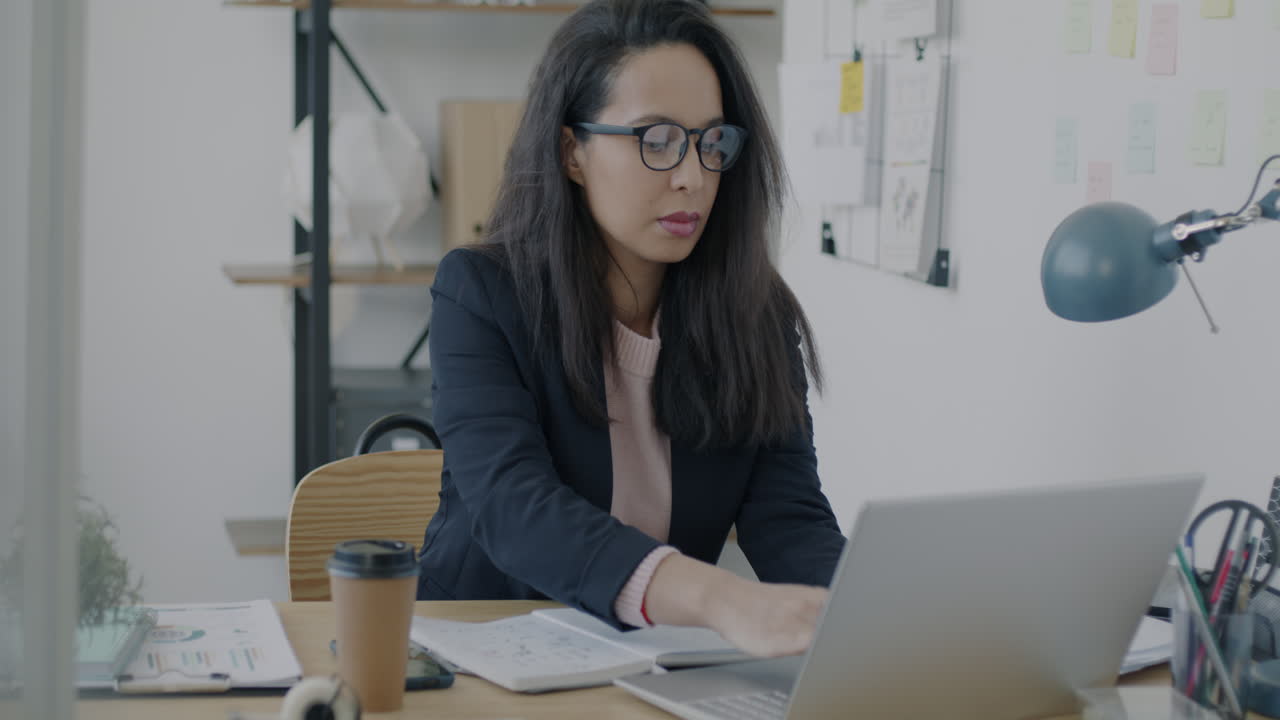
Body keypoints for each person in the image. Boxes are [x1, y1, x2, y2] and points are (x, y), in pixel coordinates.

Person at [420, 0, 845, 658]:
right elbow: (515, 508)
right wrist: (719, 598)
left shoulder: (755, 315)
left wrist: (876, 623)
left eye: (712, 142)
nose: (693, 177)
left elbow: (789, 521)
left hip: (652, 670)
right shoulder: (481, 295)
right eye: (656, 140)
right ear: (573, 151)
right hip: (481, 656)